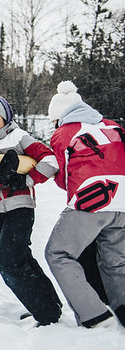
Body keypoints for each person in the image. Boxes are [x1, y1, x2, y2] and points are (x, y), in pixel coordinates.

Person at [0, 95, 63, 326]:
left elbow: (50, 161)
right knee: (22, 257)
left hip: (20, 205)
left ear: (5, 118)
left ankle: (46, 314)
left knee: (8, 262)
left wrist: (25, 180)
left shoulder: (19, 137)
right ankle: (50, 304)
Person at [44, 81, 125, 328]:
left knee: (58, 253)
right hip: (123, 199)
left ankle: (94, 314)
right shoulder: (113, 126)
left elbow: (64, 177)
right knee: (116, 260)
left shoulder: (64, 132)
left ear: (58, 117)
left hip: (92, 198)